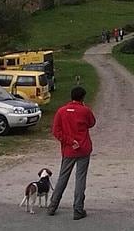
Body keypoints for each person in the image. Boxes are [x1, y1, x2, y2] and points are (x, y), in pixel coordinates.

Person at [47, 87, 96, 220]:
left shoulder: (61, 111)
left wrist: (69, 141)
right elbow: (92, 123)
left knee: (63, 177)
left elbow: (56, 131)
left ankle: (53, 205)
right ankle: (78, 209)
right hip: (84, 148)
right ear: (82, 98)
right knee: (80, 179)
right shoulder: (85, 110)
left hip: (68, 150)